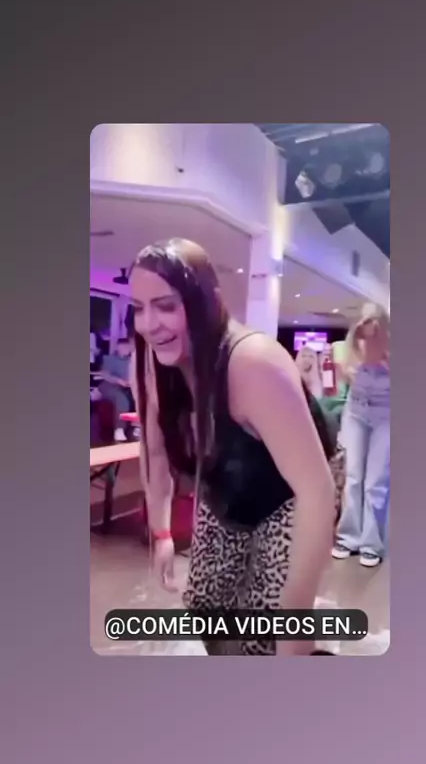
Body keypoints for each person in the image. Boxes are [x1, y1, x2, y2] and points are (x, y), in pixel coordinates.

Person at [128, 238, 335, 656]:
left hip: (291, 494)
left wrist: (296, 620)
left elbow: (316, 491)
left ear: (202, 302)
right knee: (207, 613)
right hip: (228, 483)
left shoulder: (252, 363)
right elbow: (155, 450)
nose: (149, 324)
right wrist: (162, 532)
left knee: (268, 637)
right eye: (138, 308)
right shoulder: (152, 364)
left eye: (165, 306)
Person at [332, 303, 390, 568]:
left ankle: (371, 544)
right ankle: (348, 538)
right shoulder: (351, 343)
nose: (368, 338)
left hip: (386, 414)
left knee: (375, 481)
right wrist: (350, 364)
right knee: (353, 476)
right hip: (356, 411)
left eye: (373, 332)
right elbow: (345, 375)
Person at [98, 337, 134, 442]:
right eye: (123, 347)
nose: (125, 349)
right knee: (121, 399)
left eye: (127, 347)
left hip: (128, 386)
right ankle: (119, 429)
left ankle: (138, 427)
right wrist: (119, 381)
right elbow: (106, 375)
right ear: (118, 347)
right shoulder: (109, 359)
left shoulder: (132, 360)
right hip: (109, 386)